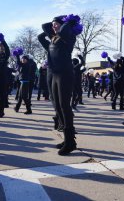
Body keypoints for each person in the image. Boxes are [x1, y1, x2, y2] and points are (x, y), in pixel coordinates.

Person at [38, 15, 79, 155]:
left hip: (65, 74)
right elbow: (43, 28)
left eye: (56, 24)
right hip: (54, 75)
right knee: (57, 106)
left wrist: (66, 23)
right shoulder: (52, 39)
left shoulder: (68, 36)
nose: (53, 26)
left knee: (64, 106)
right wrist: (55, 24)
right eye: (53, 24)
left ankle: (70, 142)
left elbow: (62, 30)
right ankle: (68, 138)